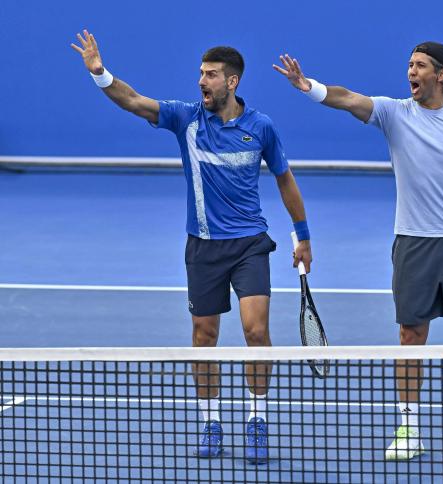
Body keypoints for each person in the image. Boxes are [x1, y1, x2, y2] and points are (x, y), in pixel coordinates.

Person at [274, 42, 443, 461]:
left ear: (441, 74)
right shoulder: (394, 114)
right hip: (413, 242)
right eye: (409, 65)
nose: (411, 71)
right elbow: (348, 99)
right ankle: (409, 427)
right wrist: (307, 86)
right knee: (411, 336)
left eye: (420, 65)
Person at [72, 30, 313, 464]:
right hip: (202, 247)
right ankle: (210, 421)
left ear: (232, 82)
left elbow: (284, 179)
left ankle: (257, 419)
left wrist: (303, 236)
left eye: (211, 75)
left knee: (256, 331)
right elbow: (133, 100)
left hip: (250, 245)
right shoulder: (185, 119)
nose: (202, 81)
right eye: (201, 73)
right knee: (204, 337)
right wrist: (100, 74)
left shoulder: (261, 127)